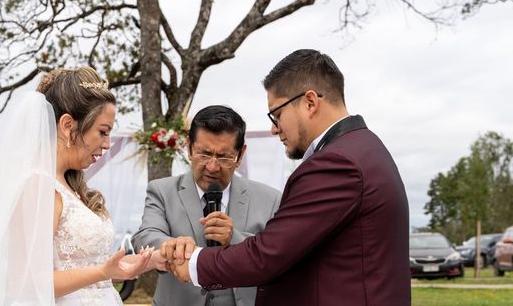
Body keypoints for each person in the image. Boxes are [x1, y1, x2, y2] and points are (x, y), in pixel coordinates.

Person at [162, 50, 410, 306]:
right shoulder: (362, 148)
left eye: (277, 114)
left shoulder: (337, 163)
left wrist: (195, 264)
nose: (273, 128)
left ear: (310, 102)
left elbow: (269, 254)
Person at [0, 66, 164, 306]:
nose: (107, 143)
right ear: (68, 125)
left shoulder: (69, 186)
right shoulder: (37, 186)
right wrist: (103, 272)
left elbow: (82, 265)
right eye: (102, 132)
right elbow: (26, 281)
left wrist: (141, 262)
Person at [133, 105, 281, 306]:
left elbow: (277, 256)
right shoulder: (161, 190)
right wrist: (170, 246)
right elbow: (145, 236)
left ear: (241, 154)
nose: (212, 167)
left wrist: (235, 239)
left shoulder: (270, 199)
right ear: (189, 149)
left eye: (224, 157)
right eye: (204, 154)